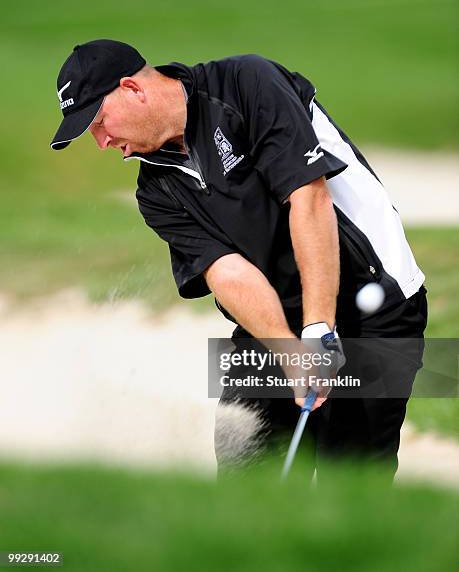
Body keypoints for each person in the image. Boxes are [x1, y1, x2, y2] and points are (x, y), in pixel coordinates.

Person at [50, 39, 428, 480]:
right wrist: (289, 350)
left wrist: (320, 330)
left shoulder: (247, 84)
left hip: (374, 301)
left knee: (348, 486)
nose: (101, 142)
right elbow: (227, 271)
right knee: (244, 467)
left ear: (133, 89)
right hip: (276, 322)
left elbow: (308, 198)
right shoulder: (155, 191)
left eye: (97, 122)